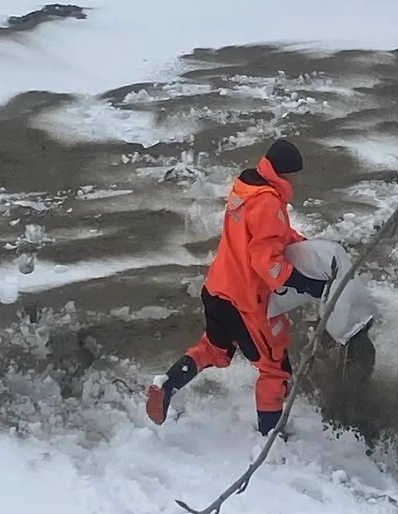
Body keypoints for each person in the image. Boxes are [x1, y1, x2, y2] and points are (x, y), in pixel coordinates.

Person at [145, 138, 376, 435]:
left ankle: (167, 385)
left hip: (218, 288)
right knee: (274, 368)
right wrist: (305, 283)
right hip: (245, 300)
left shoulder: (246, 188)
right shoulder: (268, 202)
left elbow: (269, 235)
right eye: (296, 174)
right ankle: (270, 437)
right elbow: (266, 262)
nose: (297, 180)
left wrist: (302, 246)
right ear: (286, 172)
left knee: (213, 348)